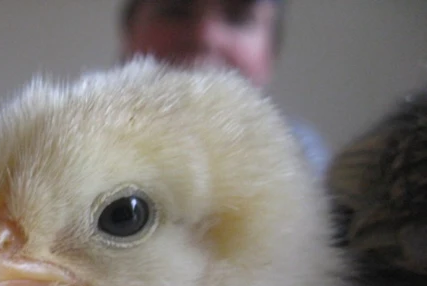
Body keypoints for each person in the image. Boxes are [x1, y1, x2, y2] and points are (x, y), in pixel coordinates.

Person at [117, 0, 331, 179]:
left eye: (238, 18)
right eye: (175, 11)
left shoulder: (302, 159)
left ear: (271, 53)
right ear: (129, 33)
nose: (205, 36)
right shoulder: (87, 140)